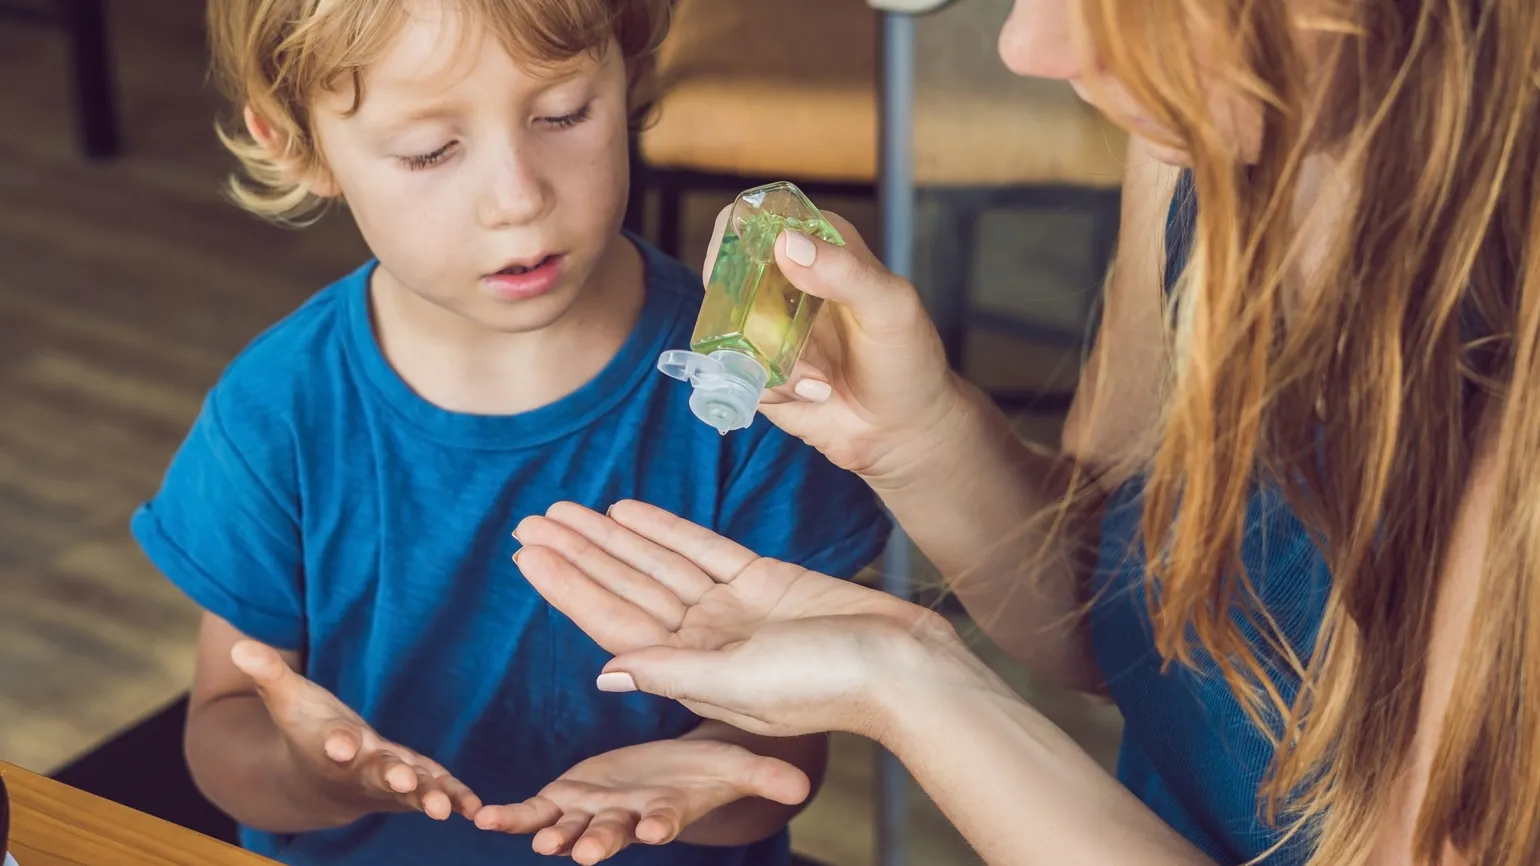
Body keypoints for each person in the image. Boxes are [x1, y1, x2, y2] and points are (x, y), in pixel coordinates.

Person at [508, 0, 1540, 864]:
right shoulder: (1198, 144)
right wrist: (913, 437)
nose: (1027, 47)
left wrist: (912, 692)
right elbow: (1129, 622)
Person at [129, 2, 893, 865]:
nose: (518, 198)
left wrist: (709, 780)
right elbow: (223, 733)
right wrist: (316, 779)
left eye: (563, 113)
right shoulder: (277, 413)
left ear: (632, 72)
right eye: (429, 150)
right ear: (299, 148)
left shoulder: (755, 395)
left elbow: (786, 762)